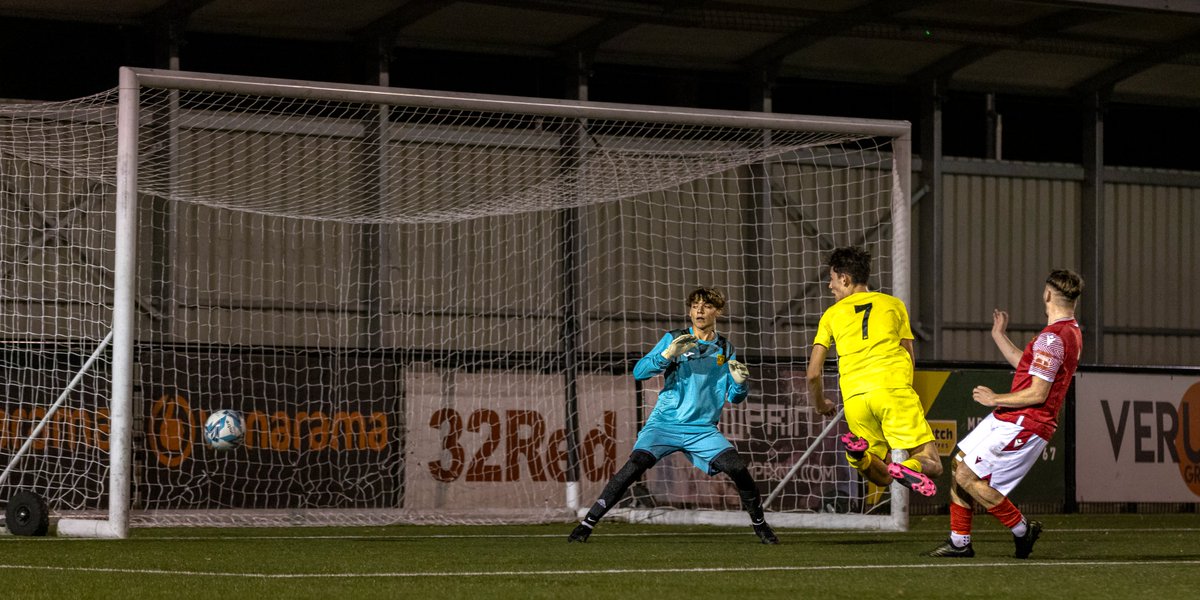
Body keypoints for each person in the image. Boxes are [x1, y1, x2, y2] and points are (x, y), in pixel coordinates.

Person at [568, 286, 779, 544]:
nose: (700, 310)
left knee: (737, 468)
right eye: (695, 305)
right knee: (634, 466)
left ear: (718, 311)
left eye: (707, 306)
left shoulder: (725, 348)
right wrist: (667, 355)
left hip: (701, 430)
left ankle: (760, 525)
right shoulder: (675, 338)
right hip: (664, 424)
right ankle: (587, 524)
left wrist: (741, 384)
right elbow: (639, 372)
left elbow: (734, 398)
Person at [926, 269, 1083, 560]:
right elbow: (1026, 365)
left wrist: (994, 398)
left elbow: (1038, 392)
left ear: (1047, 294)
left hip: (1026, 421)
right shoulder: (1068, 332)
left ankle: (1022, 529)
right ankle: (959, 541)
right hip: (1011, 417)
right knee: (959, 462)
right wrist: (999, 336)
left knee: (968, 476)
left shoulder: (1053, 338)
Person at [807, 247, 942, 497]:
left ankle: (857, 457)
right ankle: (910, 467)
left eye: (832, 279)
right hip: (892, 389)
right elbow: (909, 356)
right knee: (932, 462)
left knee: (880, 475)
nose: (830, 286)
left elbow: (813, 373)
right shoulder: (893, 305)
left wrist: (820, 404)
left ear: (845, 279)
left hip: (855, 399)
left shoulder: (830, 315)